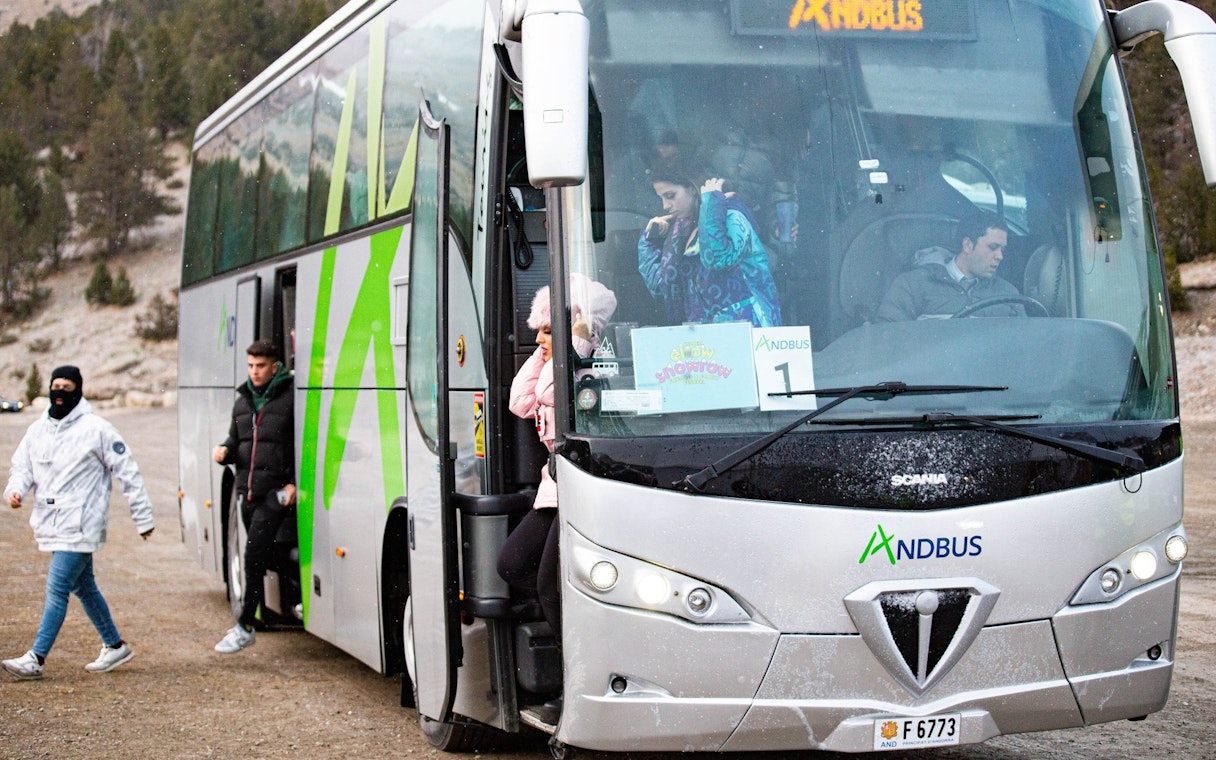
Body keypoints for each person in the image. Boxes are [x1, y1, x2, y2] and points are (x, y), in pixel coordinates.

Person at [497, 278, 615, 719]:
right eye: (539, 330)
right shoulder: (556, 361)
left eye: (548, 330)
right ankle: (582, 622)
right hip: (554, 487)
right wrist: (547, 350)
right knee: (513, 563)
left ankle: (576, 685)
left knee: (549, 585)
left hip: (582, 489)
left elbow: (550, 394)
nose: (539, 339)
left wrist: (573, 348)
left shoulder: (588, 364)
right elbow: (520, 401)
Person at [1, 365, 154, 680]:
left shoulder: (97, 428)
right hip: (51, 522)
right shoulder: (38, 429)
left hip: (83, 522)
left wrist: (143, 517)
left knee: (57, 587)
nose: (60, 392)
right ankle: (115, 645)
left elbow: (127, 471)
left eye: (66, 386)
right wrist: (15, 491)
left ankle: (36, 658)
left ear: (79, 390)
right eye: (55, 385)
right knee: (84, 587)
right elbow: (22, 466)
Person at [211, 339, 296, 654]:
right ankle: (284, 605)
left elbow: (303, 443)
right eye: (250, 366)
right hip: (246, 494)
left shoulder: (290, 399)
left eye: (260, 366)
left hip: (274, 495)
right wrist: (224, 450)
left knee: (253, 555)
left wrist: (293, 484)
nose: (255, 372)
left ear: (274, 366)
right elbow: (238, 440)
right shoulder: (243, 401)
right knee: (266, 557)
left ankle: (245, 625)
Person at [638, 160, 782, 327]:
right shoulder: (680, 231)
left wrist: (712, 203)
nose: (665, 206)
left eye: (670, 196)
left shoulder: (732, 217)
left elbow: (717, 259)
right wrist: (649, 242)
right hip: (704, 338)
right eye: (661, 198)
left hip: (748, 330)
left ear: (693, 188)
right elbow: (662, 287)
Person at [875, 211, 1026, 322]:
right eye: (993, 247)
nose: (1000, 256)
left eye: (1002, 250)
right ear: (967, 245)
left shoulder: (1008, 295)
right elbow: (888, 339)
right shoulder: (913, 285)